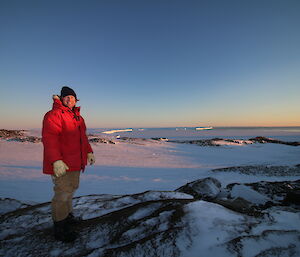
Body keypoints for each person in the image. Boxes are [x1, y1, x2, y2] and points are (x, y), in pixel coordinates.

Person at [42, 86, 95, 242]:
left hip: (76, 162)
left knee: (70, 190)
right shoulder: (54, 114)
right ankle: (60, 228)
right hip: (62, 163)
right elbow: (50, 138)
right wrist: (55, 160)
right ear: (61, 98)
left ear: (75, 100)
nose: (69, 99)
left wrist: (89, 152)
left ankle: (67, 217)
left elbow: (83, 139)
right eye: (67, 97)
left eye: (72, 97)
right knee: (62, 194)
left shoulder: (78, 117)